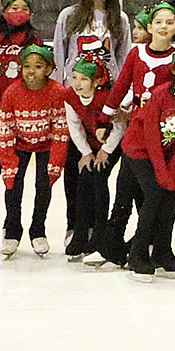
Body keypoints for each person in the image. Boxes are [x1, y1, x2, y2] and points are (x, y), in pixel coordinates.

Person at [112, 48, 175, 281]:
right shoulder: (160, 94)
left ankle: (162, 251)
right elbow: (151, 136)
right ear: (173, 68)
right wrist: (161, 172)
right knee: (154, 194)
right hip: (138, 150)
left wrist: (171, 173)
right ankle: (137, 254)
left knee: (172, 194)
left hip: (165, 154)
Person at [0, 0, 47, 253]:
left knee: (16, 172)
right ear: (3, 11)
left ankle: (13, 226)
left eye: (23, 7)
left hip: (24, 115)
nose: (19, 12)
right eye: (13, 7)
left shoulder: (33, 37)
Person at [0, 45, 72, 258]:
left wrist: (55, 163)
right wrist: (9, 163)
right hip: (19, 144)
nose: (31, 71)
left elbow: (61, 130)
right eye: (26, 66)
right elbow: (5, 130)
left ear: (48, 69)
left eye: (38, 66)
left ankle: (38, 229)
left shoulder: (58, 93)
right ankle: (12, 231)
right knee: (13, 186)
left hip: (46, 144)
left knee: (43, 185)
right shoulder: (11, 92)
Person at [58, 59, 113, 264]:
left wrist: (105, 150)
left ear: (97, 81)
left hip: (112, 143)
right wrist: (86, 152)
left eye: (84, 79)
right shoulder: (70, 96)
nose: (77, 83)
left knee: (99, 177)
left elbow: (119, 127)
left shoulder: (106, 97)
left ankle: (99, 236)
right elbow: (74, 125)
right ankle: (80, 232)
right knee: (82, 179)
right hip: (89, 144)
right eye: (74, 78)